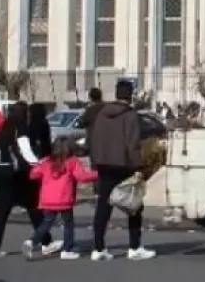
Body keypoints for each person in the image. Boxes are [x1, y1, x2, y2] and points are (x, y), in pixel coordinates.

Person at [88, 79, 156, 261]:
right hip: (123, 165)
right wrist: (138, 166)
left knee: (103, 206)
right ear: (130, 95)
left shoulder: (102, 114)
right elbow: (132, 143)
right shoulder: (130, 115)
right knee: (134, 205)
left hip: (104, 164)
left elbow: (94, 139)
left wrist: (95, 161)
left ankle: (99, 248)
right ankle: (134, 247)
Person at [0, 102, 46, 258]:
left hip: (3, 175)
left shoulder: (2, 132)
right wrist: (38, 165)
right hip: (19, 176)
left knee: (2, 212)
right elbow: (25, 151)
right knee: (33, 207)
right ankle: (45, 241)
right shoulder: (21, 129)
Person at [28, 137, 98, 260]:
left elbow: (33, 175)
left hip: (47, 199)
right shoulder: (72, 161)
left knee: (47, 222)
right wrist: (97, 174)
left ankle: (32, 241)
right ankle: (67, 249)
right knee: (68, 224)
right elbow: (82, 177)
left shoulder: (47, 162)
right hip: (64, 198)